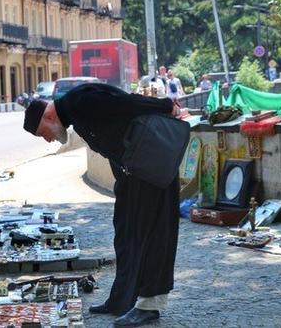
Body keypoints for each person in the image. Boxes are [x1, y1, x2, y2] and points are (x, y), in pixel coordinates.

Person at [23, 83, 181, 327]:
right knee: (125, 234)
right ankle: (122, 299)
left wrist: (166, 105)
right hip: (134, 174)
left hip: (152, 168)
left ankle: (149, 305)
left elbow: (128, 104)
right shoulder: (74, 113)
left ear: (49, 116)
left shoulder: (81, 101)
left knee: (152, 236)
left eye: (44, 133)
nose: (48, 139)